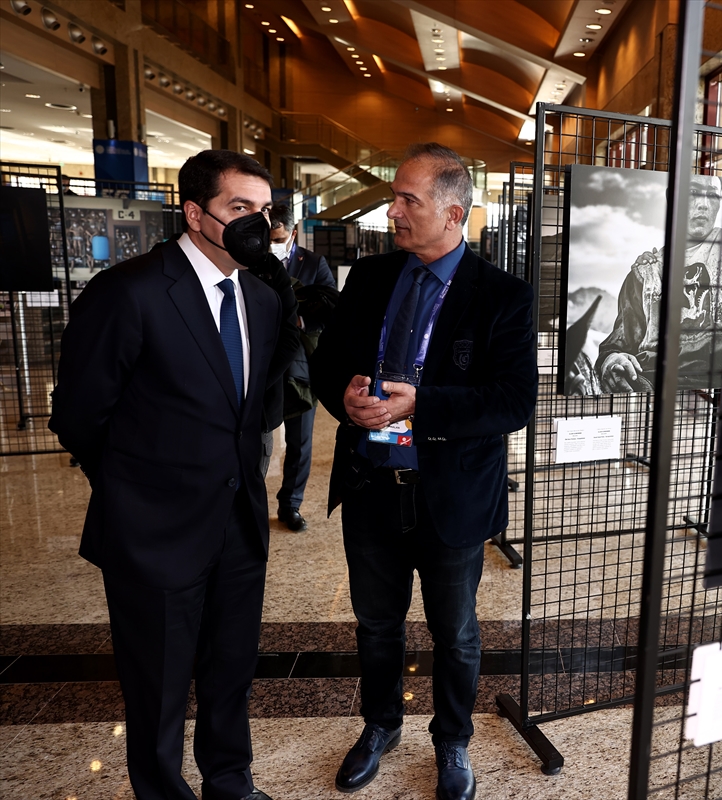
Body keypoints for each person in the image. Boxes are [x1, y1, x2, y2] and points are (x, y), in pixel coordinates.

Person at [49, 150, 301, 800]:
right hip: (153, 535)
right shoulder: (129, 291)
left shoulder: (262, 298)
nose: (257, 223)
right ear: (196, 214)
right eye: (239, 209)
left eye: (265, 211)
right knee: (157, 687)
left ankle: (230, 781)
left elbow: (256, 403)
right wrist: (137, 488)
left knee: (230, 670)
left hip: (239, 528)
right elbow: (78, 415)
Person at [310, 143, 536, 799]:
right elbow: (329, 367)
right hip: (370, 487)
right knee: (376, 625)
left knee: (456, 633)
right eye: (395, 196)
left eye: (408, 199)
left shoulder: (502, 297)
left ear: (453, 212)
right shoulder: (370, 279)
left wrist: (424, 404)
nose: (393, 211)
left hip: (452, 498)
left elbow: (513, 402)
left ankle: (452, 741)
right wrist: (346, 401)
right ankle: (379, 726)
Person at [594, 174, 722, 393]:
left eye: (713, 195)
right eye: (694, 192)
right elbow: (619, 343)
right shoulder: (644, 273)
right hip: (654, 386)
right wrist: (613, 360)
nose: (704, 204)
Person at [267, 204, 338, 531]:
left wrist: (300, 318)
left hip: (300, 365)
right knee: (256, 437)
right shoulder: (251, 259)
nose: (272, 242)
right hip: (261, 363)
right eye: (268, 236)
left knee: (300, 440)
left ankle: (290, 504)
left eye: (278, 237)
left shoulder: (312, 263)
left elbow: (331, 307)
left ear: (292, 233)